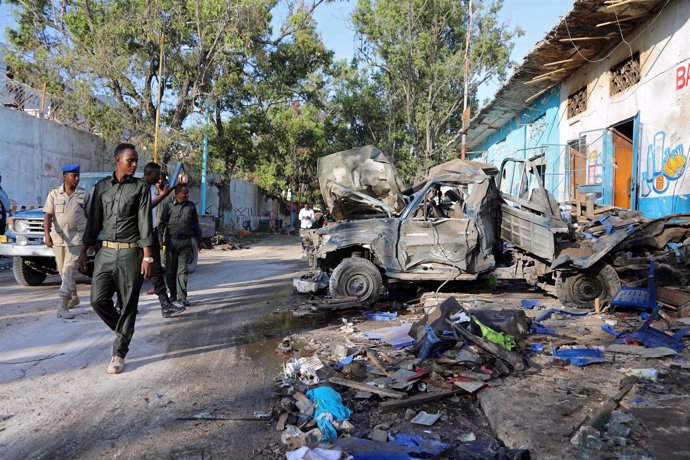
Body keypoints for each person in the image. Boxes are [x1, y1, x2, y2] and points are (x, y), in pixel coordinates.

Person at [80, 143, 154, 375]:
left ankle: (118, 353)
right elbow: (94, 221)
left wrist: (147, 257)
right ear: (117, 160)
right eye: (130, 160)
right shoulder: (102, 187)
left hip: (131, 253)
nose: (134, 165)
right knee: (97, 300)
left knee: (128, 303)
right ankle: (124, 330)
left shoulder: (140, 188)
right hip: (106, 252)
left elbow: (145, 223)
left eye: (136, 161)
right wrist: (84, 250)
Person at [43, 164, 90, 319]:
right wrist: (47, 235)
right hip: (59, 239)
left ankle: (62, 306)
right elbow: (48, 215)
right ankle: (74, 297)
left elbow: (91, 218)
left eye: (78, 175)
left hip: (77, 240)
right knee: (63, 272)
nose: (76, 178)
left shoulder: (84, 195)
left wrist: (91, 240)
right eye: (73, 175)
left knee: (69, 270)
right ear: (65, 176)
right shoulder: (54, 194)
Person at [142, 162, 185, 318]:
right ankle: (121, 304)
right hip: (141, 235)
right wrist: (165, 195)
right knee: (136, 271)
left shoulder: (150, 188)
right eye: (157, 175)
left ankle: (165, 305)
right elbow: (147, 207)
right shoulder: (141, 188)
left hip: (150, 233)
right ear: (149, 173)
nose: (159, 178)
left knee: (156, 271)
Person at [159, 184, 202, 308]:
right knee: (170, 271)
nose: (187, 195)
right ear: (177, 194)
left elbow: (195, 224)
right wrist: (160, 240)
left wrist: (199, 240)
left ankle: (182, 297)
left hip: (185, 243)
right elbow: (162, 224)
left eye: (188, 193)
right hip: (171, 243)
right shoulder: (168, 206)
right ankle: (172, 295)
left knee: (182, 271)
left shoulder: (191, 206)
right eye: (185, 193)